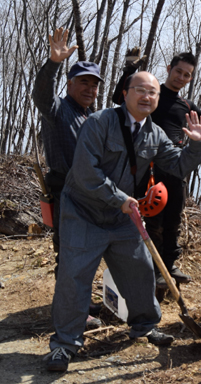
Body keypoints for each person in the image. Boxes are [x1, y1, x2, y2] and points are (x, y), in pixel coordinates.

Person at [44, 71, 201, 372]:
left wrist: (195, 145)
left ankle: (144, 325)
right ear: (125, 93)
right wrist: (119, 197)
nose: (147, 97)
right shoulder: (99, 122)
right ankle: (64, 345)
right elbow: (85, 172)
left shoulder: (154, 134)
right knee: (73, 278)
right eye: (141, 90)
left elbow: (179, 165)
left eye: (153, 93)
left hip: (121, 216)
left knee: (140, 270)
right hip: (83, 213)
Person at [112, 50, 201, 287]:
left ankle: (168, 265)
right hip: (148, 168)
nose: (181, 77)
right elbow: (120, 97)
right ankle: (153, 268)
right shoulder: (152, 95)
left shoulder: (185, 104)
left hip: (176, 168)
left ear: (190, 79)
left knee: (173, 220)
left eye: (187, 75)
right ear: (169, 69)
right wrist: (129, 69)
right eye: (178, 71)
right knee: (153, 221)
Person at [33, 27, 103, 329]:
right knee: (70, 254)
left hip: (88, 195)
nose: (90, 89)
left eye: (95, 85)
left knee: (85, 253)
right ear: (70, 83)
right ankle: (71, 314)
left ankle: (81, 302)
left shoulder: (90, 118)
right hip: (65, 193)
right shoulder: (58, 109)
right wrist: (53, 63)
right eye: (83, 82)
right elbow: (41, 94)